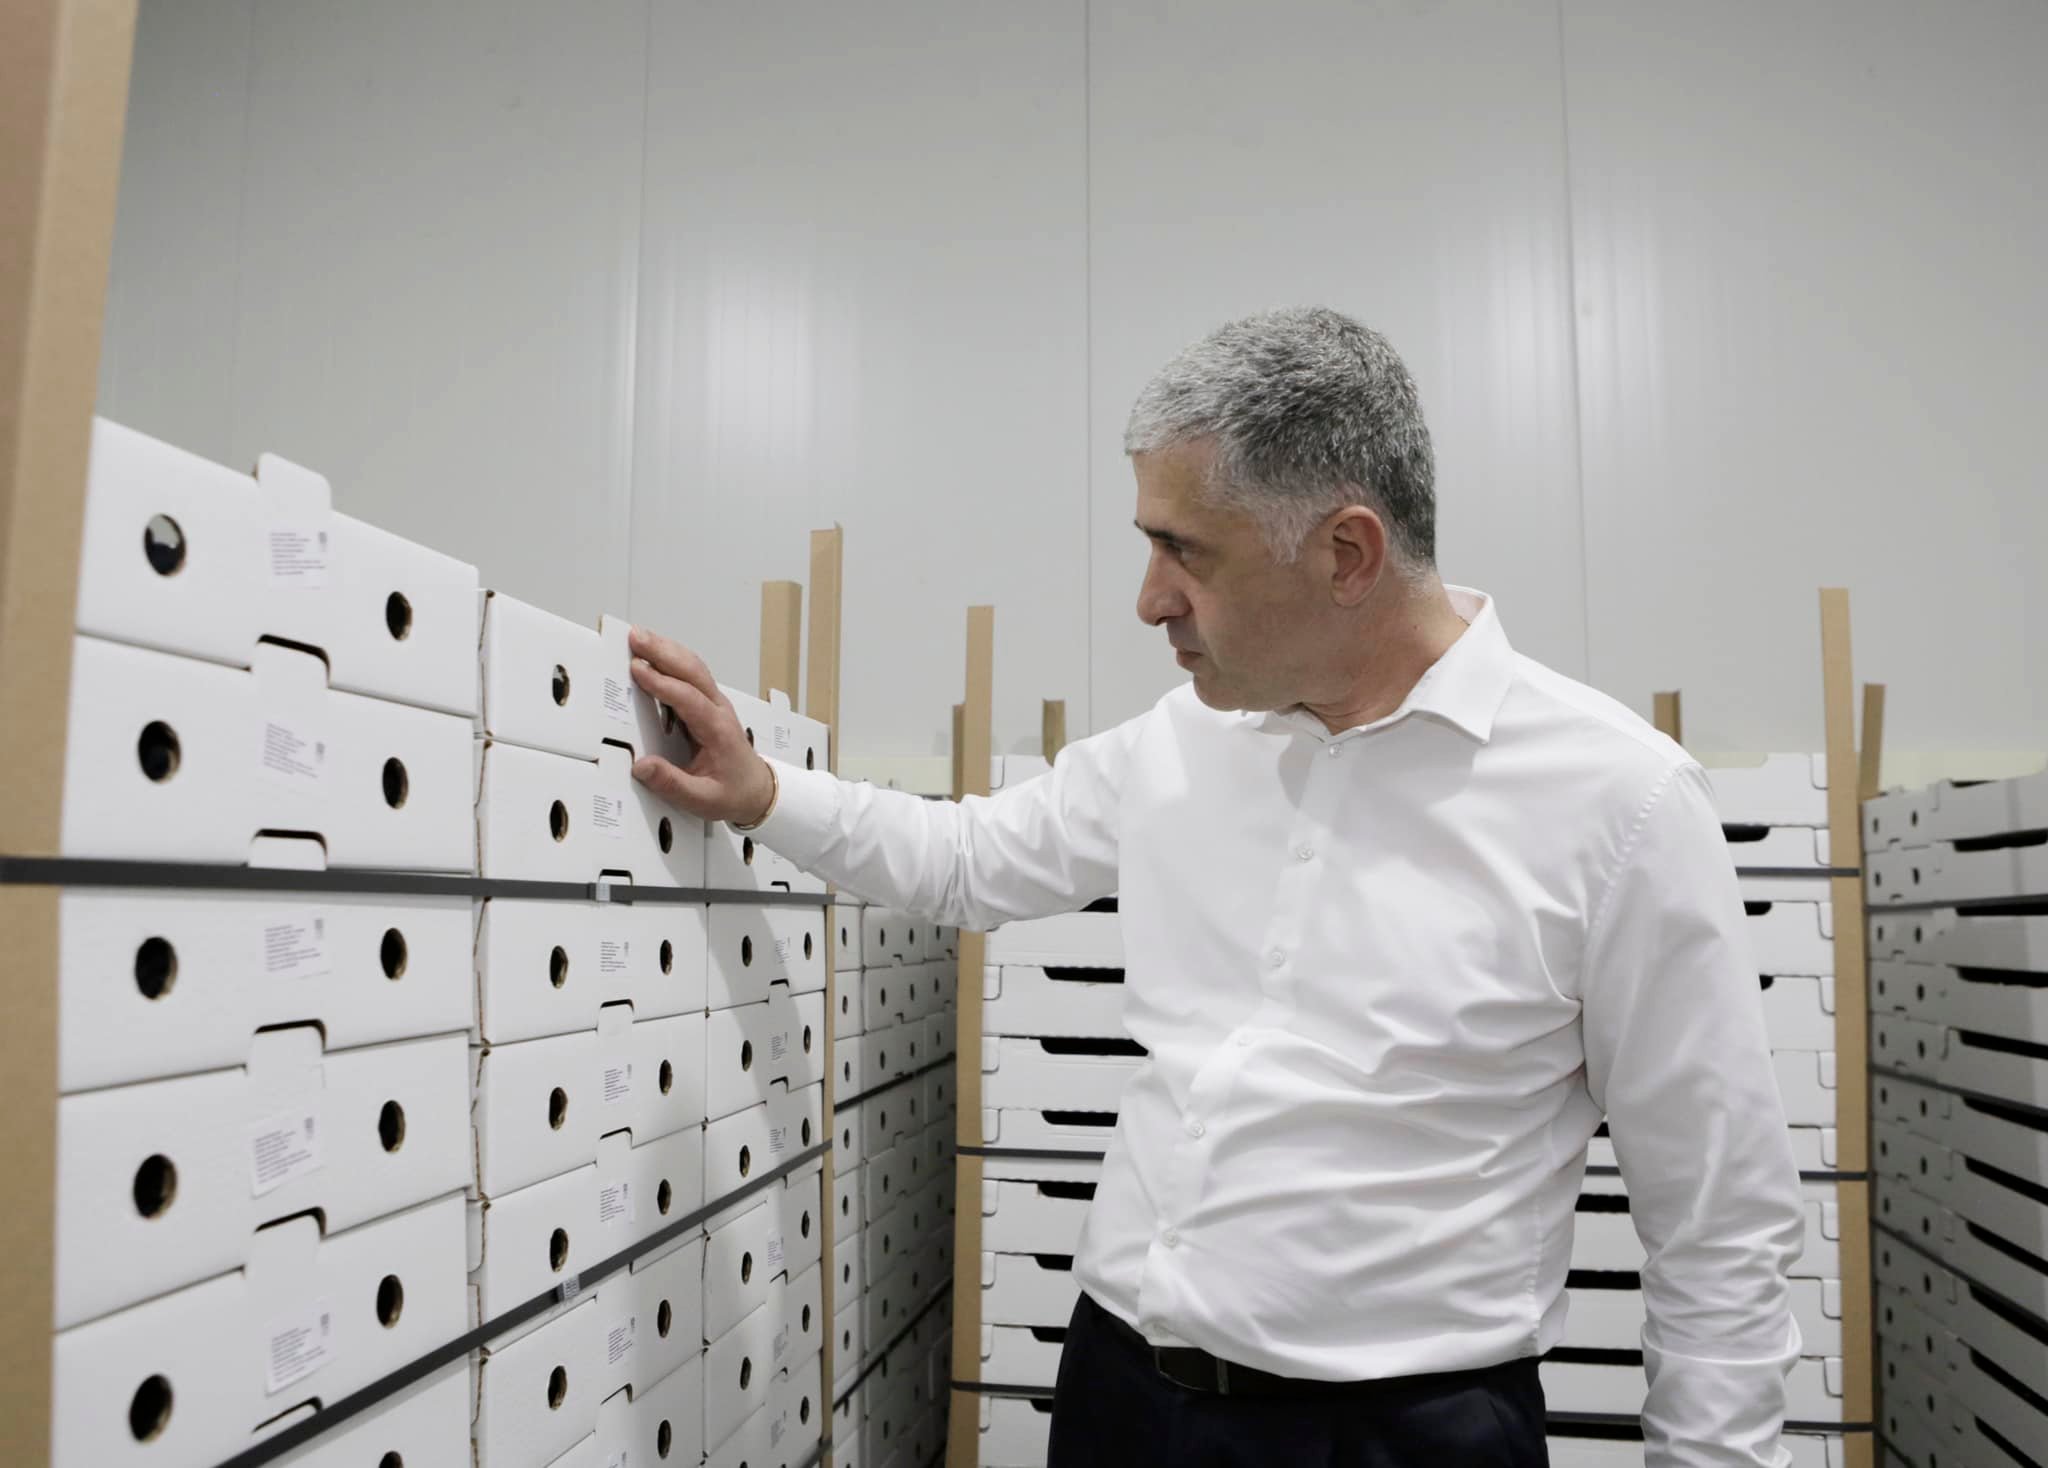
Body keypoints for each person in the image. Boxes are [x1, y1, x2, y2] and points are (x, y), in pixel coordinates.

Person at [626, 307, 1806, 1467]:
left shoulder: (1617, 802)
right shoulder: (1183, 741)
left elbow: (1716, 1222)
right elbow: (970, 859)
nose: (1149, 599)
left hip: (1394, 1436)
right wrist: (760, 789)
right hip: (1122, 1394)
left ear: (1346, 554)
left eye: (1184, 551)